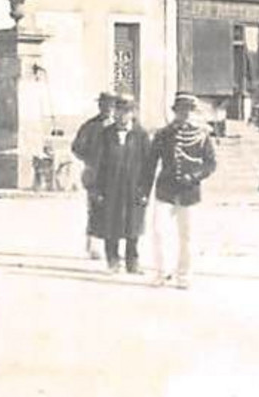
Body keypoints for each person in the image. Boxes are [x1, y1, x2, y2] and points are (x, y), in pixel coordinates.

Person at [142, 93, 217, 289]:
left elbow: (210, 164)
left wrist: (194, 177)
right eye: (181, 110)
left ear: (192, 112)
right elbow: (150, 164)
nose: (184, 114)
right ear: (175, 111)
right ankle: (161, 272)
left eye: (188, 110)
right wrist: (143, 191)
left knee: (187, 235)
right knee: (159, 231)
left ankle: (184, 275)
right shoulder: (163, 134)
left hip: (189, 192)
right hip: (165, 189)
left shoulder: (201, 134)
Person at [73, 92, 150, 273]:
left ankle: (132, 262)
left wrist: (144, 190)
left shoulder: (141, 135)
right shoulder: (105, 134)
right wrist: (95, 189)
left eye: (127, 111)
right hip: (110, 186)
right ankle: (113, 260)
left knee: (133, 225)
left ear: (133, 113)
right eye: (119, 111)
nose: (122, 115)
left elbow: (148, 165)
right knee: (110, 224)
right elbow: (96, 163)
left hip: (133, 187)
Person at [72, 93, 114, 260]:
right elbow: (76, 147)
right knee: (95, 208)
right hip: (94, 174)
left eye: (111, 106)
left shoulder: (119, 126)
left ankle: (112, 246)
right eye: (104, 105)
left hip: (114, 174)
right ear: (100, 107)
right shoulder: (90, 126)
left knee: (114, 209)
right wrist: (90, 159)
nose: (108, 109)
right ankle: (93, 245)